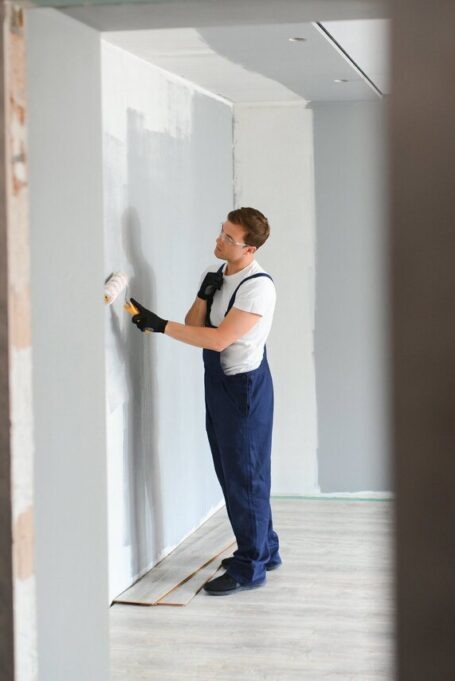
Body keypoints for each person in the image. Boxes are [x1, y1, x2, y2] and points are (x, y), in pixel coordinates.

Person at [128, 207, 281, 596]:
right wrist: (203, 293)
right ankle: (266, 549)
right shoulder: (216, 275)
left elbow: (218, 339)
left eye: (229, 238)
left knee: (246, 474)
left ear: (249, 249)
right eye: (221, 232)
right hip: (217, 382)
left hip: (244, 387)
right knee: (232, 471)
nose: (219, 240)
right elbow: (195, 325)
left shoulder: (258, 287)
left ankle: (251, 566)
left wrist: (159, 325)